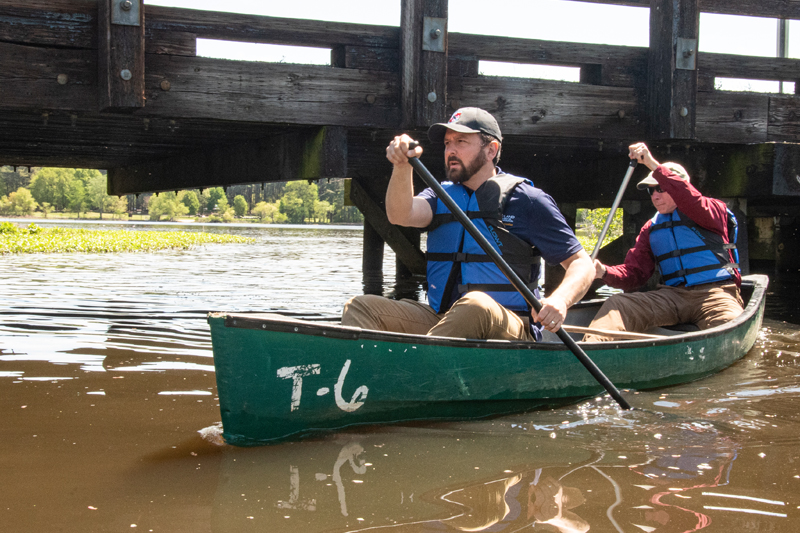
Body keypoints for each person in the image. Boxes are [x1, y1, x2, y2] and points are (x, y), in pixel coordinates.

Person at [341, 107, 594, 341]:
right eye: (447, 143)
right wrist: (401, 165)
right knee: (361, 307)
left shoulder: (528, 201)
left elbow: (581, 264)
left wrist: (560, 300)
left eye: (461, 142)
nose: (451, 150)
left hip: (509, 325)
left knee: (476, 305)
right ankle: (366, 379)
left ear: (491, 149)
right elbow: (400, 214)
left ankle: (415, 371)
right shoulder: (440, 195)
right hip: (443, 319)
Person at [583, 142, 743, 342]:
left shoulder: (710, 210)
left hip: (715, 294)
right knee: (619, 303)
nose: (656, 196)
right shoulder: (651, 229)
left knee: (729, 321)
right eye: (651, 191)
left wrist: (651, 164)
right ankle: (590, 351)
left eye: (661, 188)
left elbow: (689, 197)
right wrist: (604, 272)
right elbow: (635, 274)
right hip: (672, 297)